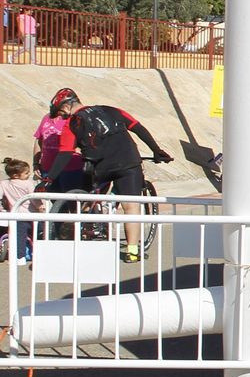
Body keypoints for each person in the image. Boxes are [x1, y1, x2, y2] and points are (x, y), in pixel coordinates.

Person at [39, 93, 172, 261]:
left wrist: (48, 178)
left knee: (88, 199)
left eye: (60, 113)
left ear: (66, 106)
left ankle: (86, 227)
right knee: (131, 207)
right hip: (128, 163)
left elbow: (65, 153)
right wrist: (156, 150)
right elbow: (138, 128)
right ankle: (132, 251)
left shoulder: (72, 123)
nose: (61, 116)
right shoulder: (113, 110)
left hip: (99, 166)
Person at [35, 89, 89, 196]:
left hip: (71, 167)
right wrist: (36, 163)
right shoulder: (46, 118)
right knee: (55, 201)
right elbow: (39, 140)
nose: (59, 114)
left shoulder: (76, 119)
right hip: (48, 168)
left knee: (72, 201)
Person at [1, 158, 44, 262]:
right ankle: (35, 254)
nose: (29, 174)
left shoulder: (3, 183)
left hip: (16, 214)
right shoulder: (28, 184)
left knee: (20, 236)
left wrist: (2, 209)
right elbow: (33, 198)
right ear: (16, 175)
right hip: (31, 214)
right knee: (39, 233)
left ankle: (19, 256)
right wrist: (40, 207)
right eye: (26, 173)